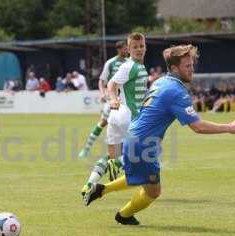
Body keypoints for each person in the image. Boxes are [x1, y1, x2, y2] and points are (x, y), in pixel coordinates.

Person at [83, 44, 235, 225]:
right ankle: (122, 215)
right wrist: (229, 127)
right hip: (143, 142)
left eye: (192, 65)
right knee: (153, 190)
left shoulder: (161, 82)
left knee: (140, 178)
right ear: (173, 68)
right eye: (187, 66)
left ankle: (101, 191)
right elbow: (198, 126)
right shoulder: (177, 91)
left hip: (135, 136)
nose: (192, 69)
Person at [81, 34, 148, 195]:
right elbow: (111, 83)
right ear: (128, 49)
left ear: (145, 46)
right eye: (135, 47)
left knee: (111, 155)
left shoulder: (132, 66)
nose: (139, 49)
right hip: (129, 116)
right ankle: (117, 164)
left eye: (141, 46)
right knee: (140, 154)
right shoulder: (132, 66)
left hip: (116, 116)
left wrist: (114, 101)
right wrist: (112, 98)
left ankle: (88, 185)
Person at [78, 41, 128, 158]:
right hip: (113, 98)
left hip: (126, 99)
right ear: (119, 49)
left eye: (127, 48)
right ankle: (86, 149)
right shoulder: (110, 63)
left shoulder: (129, 63)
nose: (126, 51)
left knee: (126, 125)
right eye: (124, 49)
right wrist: (102, 93)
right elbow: (102, 80)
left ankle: (124, 153)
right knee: (103, 123)